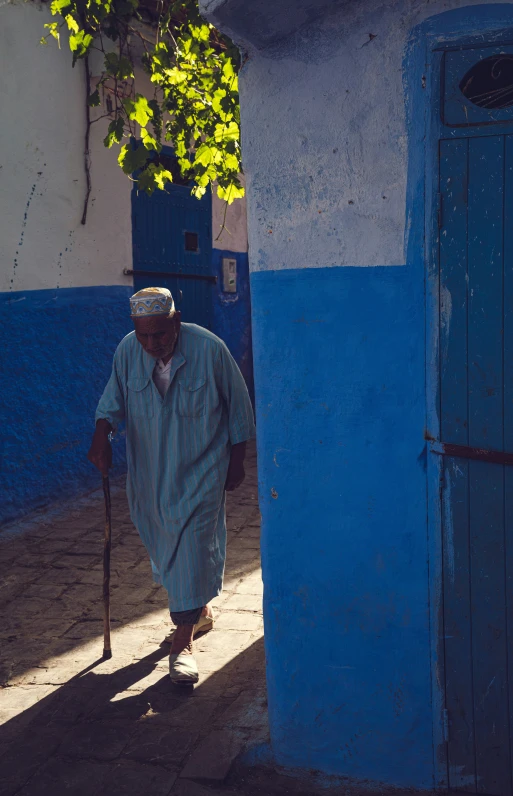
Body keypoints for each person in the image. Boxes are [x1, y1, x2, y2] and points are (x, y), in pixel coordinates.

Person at [88, 287, 255, 684]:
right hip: (150, 476)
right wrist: (101, 434)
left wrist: (237, 461)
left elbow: (239, 406)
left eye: (160, 334)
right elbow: (112, 401)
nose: (151, 343)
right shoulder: (128, 350)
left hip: (202, 470)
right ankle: (199, 612)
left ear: (176, 322)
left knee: (194, 548)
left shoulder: (209, 349)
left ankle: (182, 644)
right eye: (143, 335)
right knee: (165, 548)